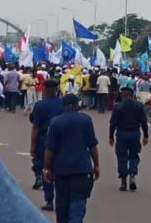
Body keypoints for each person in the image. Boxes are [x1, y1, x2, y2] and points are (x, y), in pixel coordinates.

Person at [43, 94, 100, 223]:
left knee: (62, 202)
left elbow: (50, 148)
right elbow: (92, 146)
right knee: (78, 200)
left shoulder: (55, 122)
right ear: (76, 104)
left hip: (61, 169)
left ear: (64, 106)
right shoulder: (86, 120)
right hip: (81, 168)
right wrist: (96, 165)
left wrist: (46, 168)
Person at [29, 79, 65, 210]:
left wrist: (32, 145)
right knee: (60, 169)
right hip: (61, 141)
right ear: (56, 89)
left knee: (45, 168)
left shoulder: (40, 105)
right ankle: (61, 199)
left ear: (44, 89)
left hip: (44, 140)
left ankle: (49, 200)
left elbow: (35, 127)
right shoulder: (63, 104)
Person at [108, 87, 149, 192]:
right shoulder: (139, 106)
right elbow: (144, 122)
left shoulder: (118, 107)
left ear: (123, 95)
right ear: (132, 95)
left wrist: (111, 136)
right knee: (134, 156)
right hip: (135, 134)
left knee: (122, 156)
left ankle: (123, 181)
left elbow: (113, 123)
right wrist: (146, 135)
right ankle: (132, 174)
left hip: (121, 134)